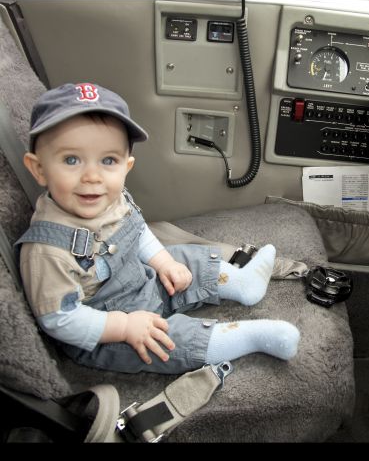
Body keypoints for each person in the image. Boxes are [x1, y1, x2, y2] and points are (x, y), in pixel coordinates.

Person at [16, 82, 300, 374]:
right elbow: (59, 318)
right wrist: (124, 326)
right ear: (38, 169)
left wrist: (164, 263)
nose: (92, 176)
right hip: (107, 326)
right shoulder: (46, 250)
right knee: (165, 342)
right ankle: (250, 337)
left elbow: (137, 234)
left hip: (145, 283)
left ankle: (243, 283)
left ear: (126, 166)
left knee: (183, 257)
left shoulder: (110, 199)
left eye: (108, 160)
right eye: (71, 160)